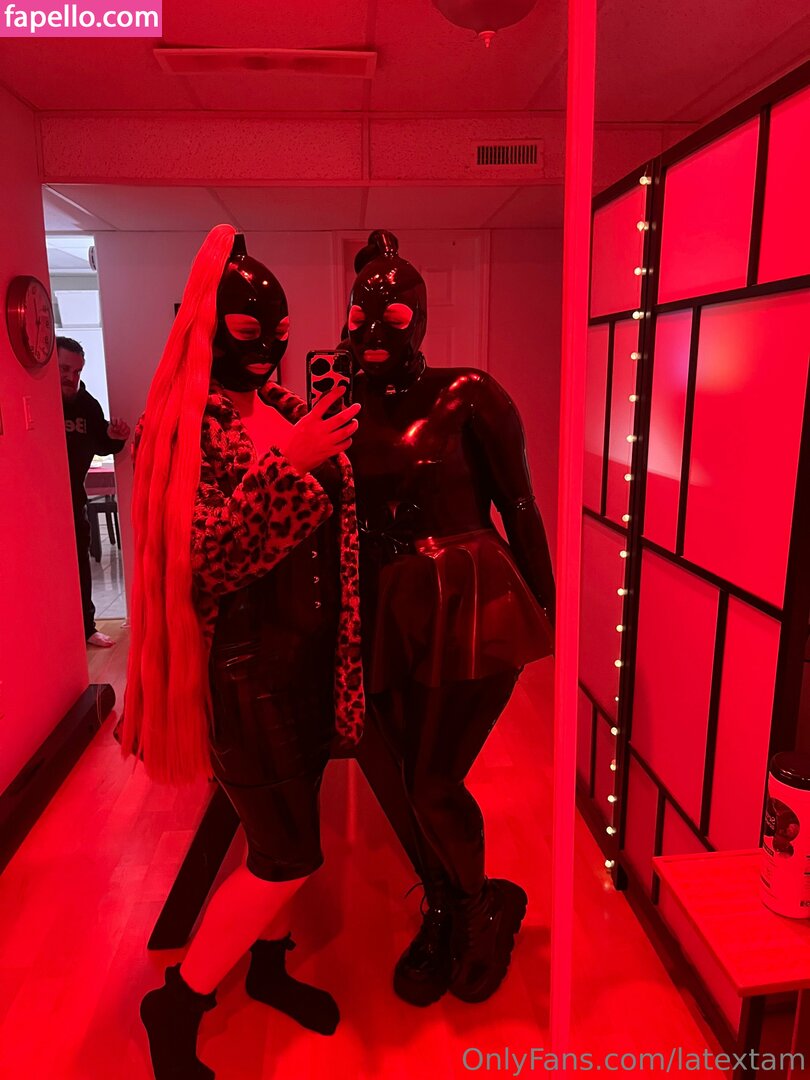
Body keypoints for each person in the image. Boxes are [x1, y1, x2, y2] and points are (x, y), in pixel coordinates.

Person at [120, 225, 363, 1080]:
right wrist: (288, 469)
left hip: (309, 663)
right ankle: (178, 1001)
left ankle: (267, 965)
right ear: (205, 329)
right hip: (243, 670)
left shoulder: (289, 413)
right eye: (249, 333)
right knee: (287, 855)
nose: (266, 352)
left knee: (286, 844)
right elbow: (203, 563)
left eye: (279, 334)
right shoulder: (180, 431)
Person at [346, 230, 555, 1007]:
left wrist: (548, 602)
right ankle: (446, 904)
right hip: (384, 603)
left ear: (420, 316)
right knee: (405, 775)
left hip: (469, 599)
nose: (374, 330)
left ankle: (477, 909)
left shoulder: (470, 393)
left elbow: (519, 503)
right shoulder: (343, 405)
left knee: (432, 779)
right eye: (359, 316)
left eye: (393, 314)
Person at [59, 336, 131, 648]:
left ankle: (86, 628)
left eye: (76, 371)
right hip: (35, 504)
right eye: (64, 369)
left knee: (80, 566)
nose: (71, 377)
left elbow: (104, 442)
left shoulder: (87, 405)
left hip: (74, 500)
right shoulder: (35, 400)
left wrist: (116, 436)